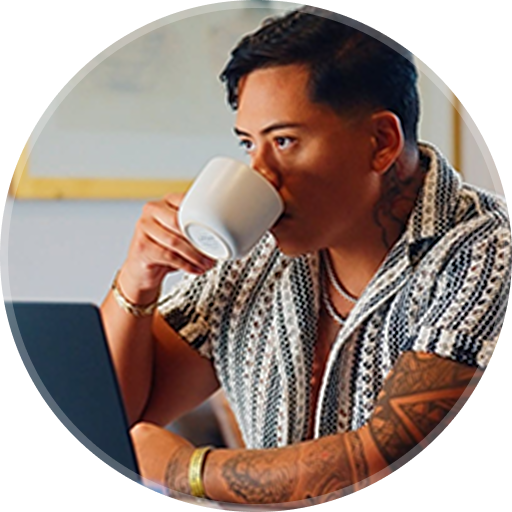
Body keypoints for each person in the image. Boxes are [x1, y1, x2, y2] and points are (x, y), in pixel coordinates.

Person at [100, 6, 510, 506]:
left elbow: (387, 457)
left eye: (284, 141)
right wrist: (139, 277)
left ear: (381, 142)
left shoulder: (486, 252)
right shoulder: (252, 254)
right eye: (248, 144)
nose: (261, 174)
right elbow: (112, 416)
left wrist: (189, 471)